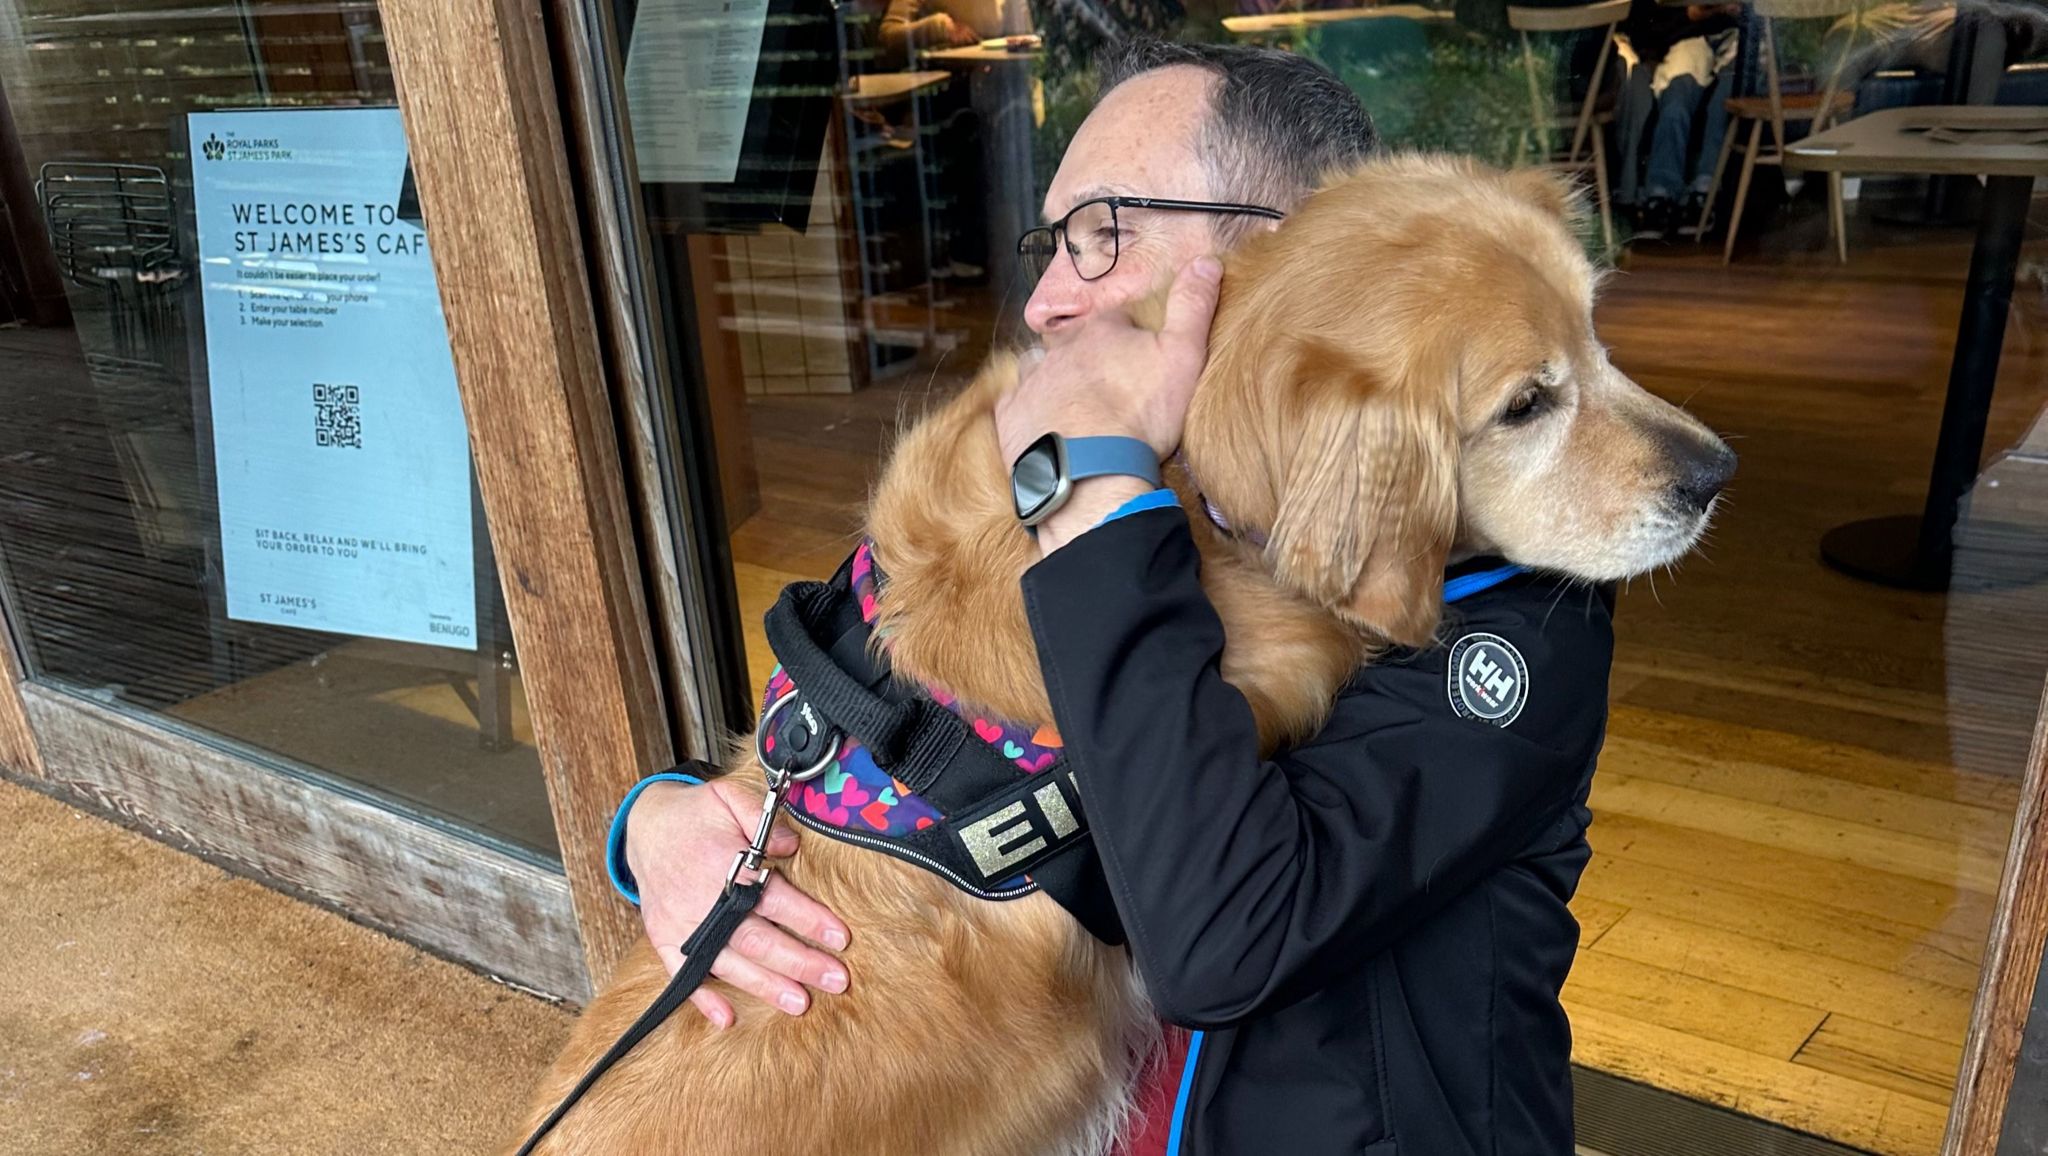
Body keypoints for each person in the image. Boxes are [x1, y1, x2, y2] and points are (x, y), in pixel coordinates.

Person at [611, 40, 1618, 1155]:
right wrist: (659, 820)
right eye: (1052, 242)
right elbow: (877, 712)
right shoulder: (1123, 491)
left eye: (1104, 234)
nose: (1044, 301)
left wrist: (1091, 489)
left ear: (1293, 254)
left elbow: (1220, 933)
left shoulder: (1499, 607)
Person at [1614, 0, 1741, 240]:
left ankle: (1705, 189)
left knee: (1729, 91)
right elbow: (1644, 23)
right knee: (1677, 96)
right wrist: (1690, 15)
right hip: (1687, 35)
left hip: (1738, 33)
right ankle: (1660, 193)